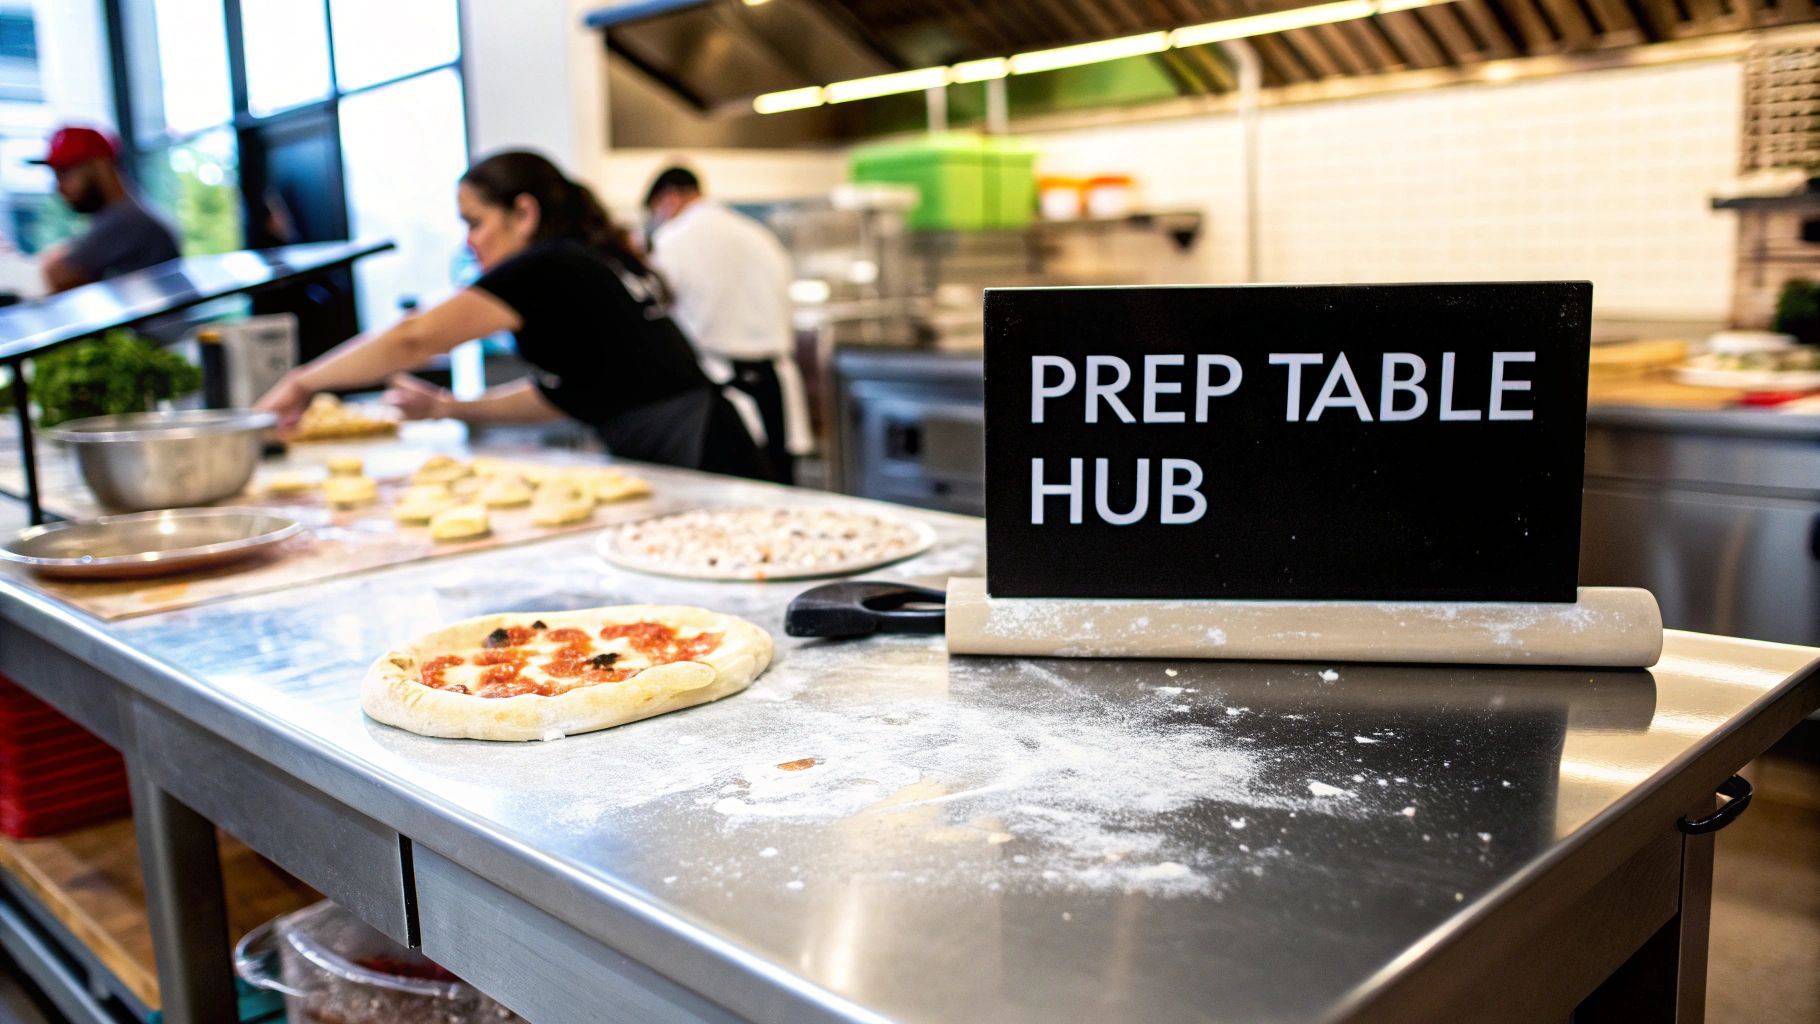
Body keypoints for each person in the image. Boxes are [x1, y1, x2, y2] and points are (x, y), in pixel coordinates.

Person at [256, 151, 770, 480]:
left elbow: (415, 338)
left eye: (475, 222)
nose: (470, 241)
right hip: (702, 442)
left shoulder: (546, 265)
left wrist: (303, 382)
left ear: (523, 213)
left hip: (699, 450)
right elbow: (563, 395)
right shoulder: (581, 260)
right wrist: (446, 408)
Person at [644, 166, 810, 485]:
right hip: (775, 382)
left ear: (668, 199)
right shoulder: (757, 234)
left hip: (721, 388)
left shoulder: (673, 239)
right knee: (783, 495)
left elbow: (661, 315)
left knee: (733, 505)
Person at [31, 125, 181, 293]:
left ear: (100, 166)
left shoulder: (124, 219)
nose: (60, 187)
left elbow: (61, 277)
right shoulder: (128, 213)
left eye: (65, 172)